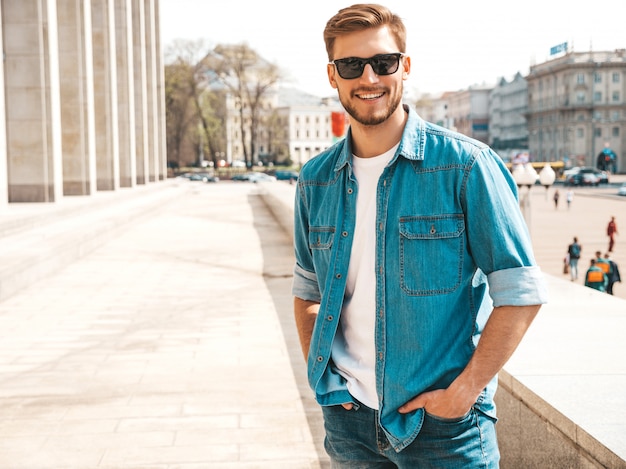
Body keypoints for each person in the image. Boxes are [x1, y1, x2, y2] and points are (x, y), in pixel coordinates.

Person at [292, 4, 548, 467]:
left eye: (383, 62)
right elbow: (308, 289)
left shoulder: (466, 166)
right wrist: (324, 379)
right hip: (349, 425)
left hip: (444, 432)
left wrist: (464, 392)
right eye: (351, 65)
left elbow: (521, 291)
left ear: (404, 67)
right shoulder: (315, 179)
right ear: (333, 76)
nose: (369, 76)